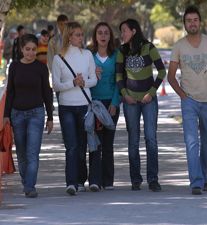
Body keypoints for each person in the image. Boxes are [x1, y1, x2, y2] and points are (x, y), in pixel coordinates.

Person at [167, 5, 207, 195]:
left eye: (195, 20)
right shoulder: (179, 45)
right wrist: (182, 95)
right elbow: (170, 76)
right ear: (184, 24)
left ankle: (204, 178)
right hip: (189, 101)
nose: (192, 23)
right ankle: (196, 182)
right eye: (188, 20)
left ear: (200, 22)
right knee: (191, 141)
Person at [116, 18, 166, 192]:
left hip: (148, 100)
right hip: (130, 101)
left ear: (134, 31)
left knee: (151, 139)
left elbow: (162, 71)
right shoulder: (122, 51)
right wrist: (125, 95)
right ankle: (135, 179)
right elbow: (119, 77)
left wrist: (151, 93)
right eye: (121, 31)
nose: (122, 34)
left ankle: (153, 179)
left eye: (124, 30)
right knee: (133, 140)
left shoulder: (149, 47)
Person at [3, 34, 53, 198]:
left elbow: (47, 92)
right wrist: (5, 116)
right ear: (21, 49)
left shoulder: (41, 68)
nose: (31, 53)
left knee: (32, 152)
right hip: (17, 114)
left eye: (33, 49)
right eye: (27, 49)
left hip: (36, 114)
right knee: (22, 153)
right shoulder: (15, 67)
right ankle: (27, 181)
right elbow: (10, 92)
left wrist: (50, 117)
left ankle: (30, 186)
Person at [52, 21, 97, 195]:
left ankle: (80, 180)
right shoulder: (58, 58)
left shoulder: (87, 55)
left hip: (84, 105)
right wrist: (73, 82)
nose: (81, 37)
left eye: (81, 34)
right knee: (71, 146)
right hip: (66, 107)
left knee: (82, 145)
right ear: (69, 37)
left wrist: (84, 82)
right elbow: (56, 85)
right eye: (77, 34)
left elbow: (94, 79)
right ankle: (71, 182)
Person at [89, 22, 120, 191]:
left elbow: (119, 81)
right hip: (94, 104)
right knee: (95, 142)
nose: (102, 36)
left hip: (110, 104)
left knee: (108, 143)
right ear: (95, 36)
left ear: (110, 36)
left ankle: (108, 181)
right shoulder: (89, 56)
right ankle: (94, 180)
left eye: (106, 33)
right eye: (99, 32)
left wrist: (115, 103)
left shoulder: (116, 55)